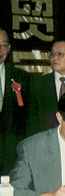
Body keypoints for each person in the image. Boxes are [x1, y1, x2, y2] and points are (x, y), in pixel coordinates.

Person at [0, 27, 30, 176]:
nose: (0, 50)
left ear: (9, 48)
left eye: (4, 45)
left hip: (10, 152)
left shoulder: (20, 77)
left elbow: (27, 117)